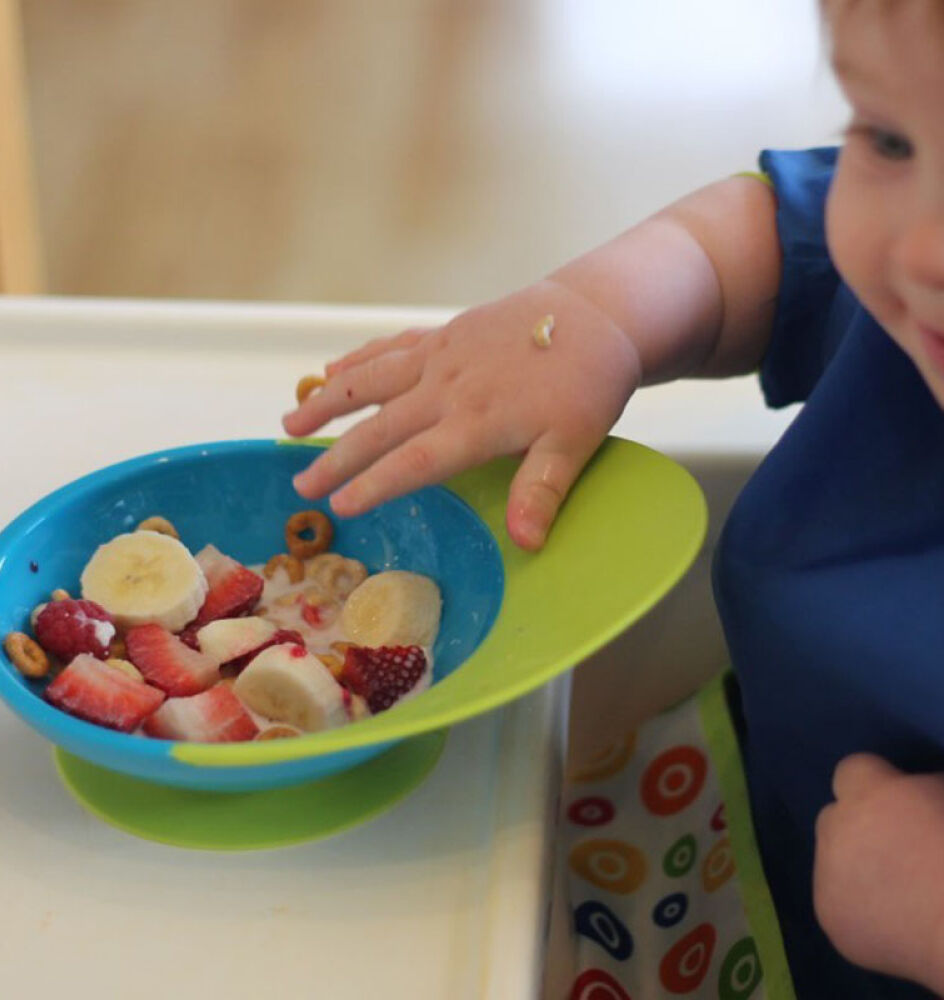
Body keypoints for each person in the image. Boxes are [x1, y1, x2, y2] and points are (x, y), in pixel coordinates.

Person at [283, 1, 944, 995]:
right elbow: (776, 238)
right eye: (890, 139)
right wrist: (599, 313)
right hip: (723, 832)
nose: (921, 250)